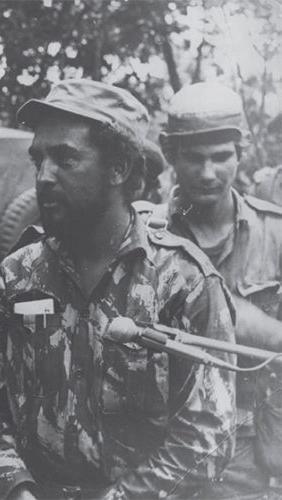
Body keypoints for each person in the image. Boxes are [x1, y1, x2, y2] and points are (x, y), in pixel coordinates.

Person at [0, 79, 237, 499]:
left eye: (65, 159)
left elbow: (209, 434)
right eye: (38, 159)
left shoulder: (183, 281)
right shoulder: (18, 275)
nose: (43, 176)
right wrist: (16, 488)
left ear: (118, 168)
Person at [154, 81, 282, 498]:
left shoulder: (275, 233)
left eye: (221, 156)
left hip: (248, 452)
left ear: (242, 152)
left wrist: (255, 326)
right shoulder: (144, 238)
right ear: (169, 153)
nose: (208, 173)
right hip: (161, 451)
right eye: (193, 158)